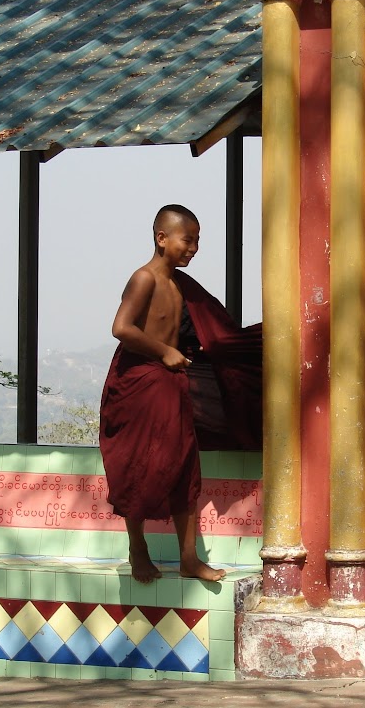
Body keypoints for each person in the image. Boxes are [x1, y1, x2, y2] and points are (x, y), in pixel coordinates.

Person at [99, 204, 227, 584]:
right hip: (140, 380)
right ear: (162, 238)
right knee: (140, 466)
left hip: (170, 382)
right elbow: (121, 328)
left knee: (185, 466)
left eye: (198, 241)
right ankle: (138, 548)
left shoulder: (178, 284)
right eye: (188, 240)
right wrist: (164, 351)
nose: (194, 248)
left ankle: (189, 558)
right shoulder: (144, 278)